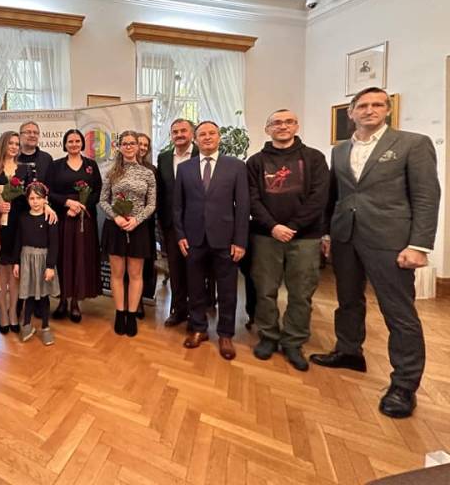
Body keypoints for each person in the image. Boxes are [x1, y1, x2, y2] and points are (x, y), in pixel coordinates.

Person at [310, 87, 440, 418]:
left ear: (387, 110)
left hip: (389, 240)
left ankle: (404, 385)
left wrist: (419, 245)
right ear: (351, 112)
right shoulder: (340, 150)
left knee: (398, 311)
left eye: (378, 104)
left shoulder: (412, 144)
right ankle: (349, 351)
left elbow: (427, 196)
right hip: (345, 237)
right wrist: (327, 233)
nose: (370, 110)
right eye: (363, 105)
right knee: (348, 300)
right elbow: (335, 196)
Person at [246, 110, 328, 371]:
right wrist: (273, 226)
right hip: (265, 236)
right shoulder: (256, 162)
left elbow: (319, 197)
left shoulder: (314, 158)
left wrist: (292, 227)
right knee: (265, 290)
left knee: (301, 293)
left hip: (305, 237)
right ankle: (268, 336)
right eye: (277, 123)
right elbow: (252, 198)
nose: (283, 126)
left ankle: (294, 341)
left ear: (296, 126)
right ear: (267, 129)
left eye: (288, 122)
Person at [174, 121, 249, 360]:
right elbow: (178, 206)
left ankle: (225, 334)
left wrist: (240, 240)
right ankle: (198, 328)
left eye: (211, 133)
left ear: (219, 137)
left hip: (225, 239)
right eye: (202, 134)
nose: (207, 137)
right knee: (195, 287)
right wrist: (180, 235)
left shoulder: (236, 166)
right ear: (195, 139)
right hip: (193, 238)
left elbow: (243, 206)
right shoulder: (184, 168)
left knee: (227, 289)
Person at [99, 130, 156, 337]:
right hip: (115, 227)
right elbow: (103, 200)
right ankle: (120, 313)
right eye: (125, 143)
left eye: (133, 143)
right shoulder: (111, 173)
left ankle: (131, 315)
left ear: (139, 147)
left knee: (135, 274)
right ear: (119, 147)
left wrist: (137, 220)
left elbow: (152, 204)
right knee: (117, 274)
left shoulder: (148, 173)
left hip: (138, 229)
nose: (129, 147)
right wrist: (116, 217)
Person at [47, 129, 102, 323]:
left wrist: (81, 206)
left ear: (82, 143)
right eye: (70, 141)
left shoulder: (91, 165)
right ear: (65, 144)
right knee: (62, 258)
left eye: (77, 141)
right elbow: (48, 191)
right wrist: (67, 203)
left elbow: (98, 191)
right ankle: (62, 299)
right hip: (62, 218)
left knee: (80, 258)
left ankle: (75, 303)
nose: (74, 144)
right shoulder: (55, 166)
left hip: (84, 220)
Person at [156, 119, 197, 327]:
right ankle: (179, 309)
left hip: (197, 222)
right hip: (171, 223)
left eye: (183, 131)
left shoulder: (201, 154)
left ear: (192, 133)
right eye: (175, 131)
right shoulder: (163, 157)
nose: (179, 135)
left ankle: (196, 314)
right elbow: (162, 191)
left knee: (196, 269)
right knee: (175, 269)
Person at [0, 130, 28, 334]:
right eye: (10, 143)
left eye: (16, 144)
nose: (14, 147)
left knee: (15, 271)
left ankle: (13, 311)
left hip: (19, 225)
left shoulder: (25, 170)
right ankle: (3, 313)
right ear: (3, 145)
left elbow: (32, 197)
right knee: (1, 271)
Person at [13, 182, 60, 345]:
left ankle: (45, 327)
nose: (35, 201)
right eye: (32, 198)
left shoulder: (50, 218)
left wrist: (50, 266)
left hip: (43, 261)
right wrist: (16, 263)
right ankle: (26, 325)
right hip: (26, 260)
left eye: (39, 198)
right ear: (27, 200)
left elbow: (54, 244)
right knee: (29, 294)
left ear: (45, 199)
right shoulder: (23, 218)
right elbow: (18, 241)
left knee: (44, 296)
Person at [135, 132, 157, 318]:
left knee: (143, 265)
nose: (142, 148)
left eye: (145, 145)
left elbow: (155, 200)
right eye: (139, 144)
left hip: (145, 225)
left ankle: (139, 301)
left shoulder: (152, 170)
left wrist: (140, 217)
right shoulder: (119, 168)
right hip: (123, 224)